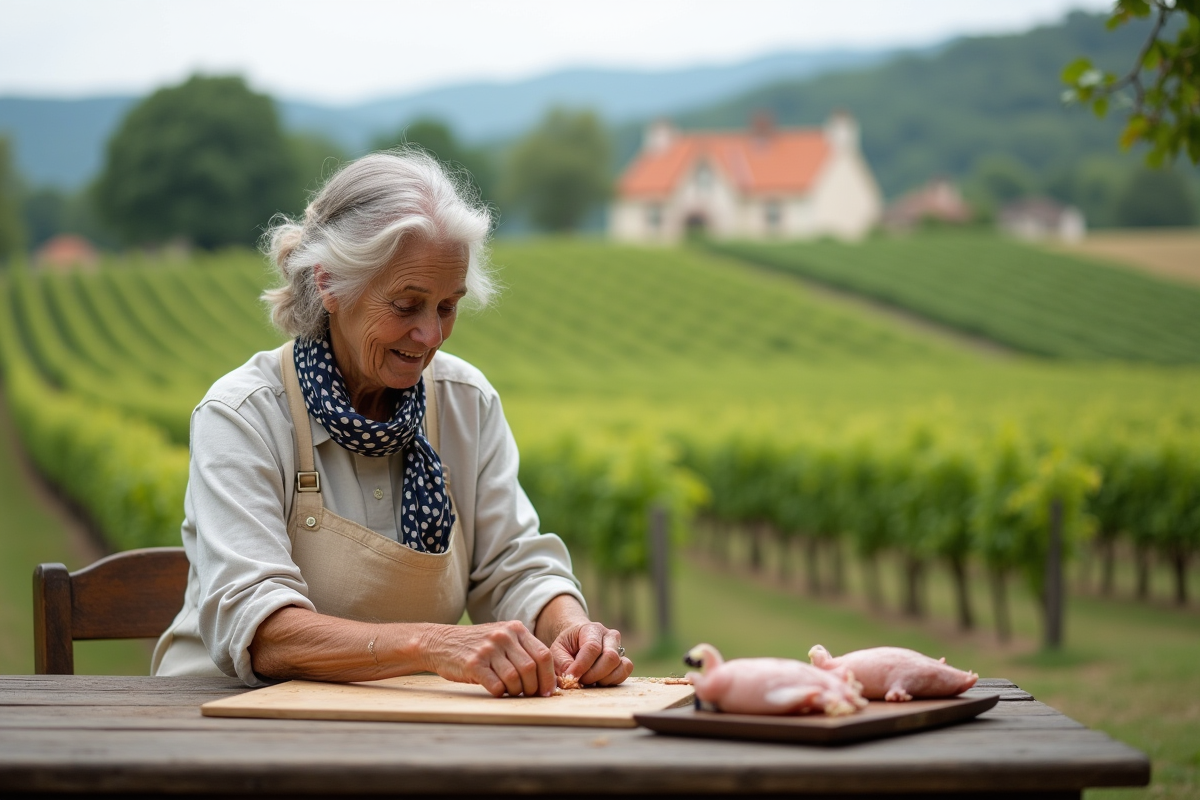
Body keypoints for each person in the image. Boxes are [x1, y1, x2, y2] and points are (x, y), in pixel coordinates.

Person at [152, 150, 632, 697]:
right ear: (330, 284)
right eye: (407, 305)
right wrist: (432, 646)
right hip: (223, 723)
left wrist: (571, 628)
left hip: (392, 723)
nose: (431, 335)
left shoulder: (463, 402)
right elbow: (262, 633)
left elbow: (514, 567)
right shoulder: (244, 416)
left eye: (448, 306)